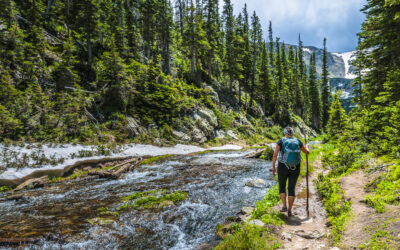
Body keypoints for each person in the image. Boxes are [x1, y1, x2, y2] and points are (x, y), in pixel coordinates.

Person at [271, 127, 309, 217]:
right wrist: (307, 146)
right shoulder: (298, 141)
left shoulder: (281, 141)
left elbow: (275, 155)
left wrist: (273, 167)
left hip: (282, 166)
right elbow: (307, 152)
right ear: (292, 133)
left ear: (285, 133)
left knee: (282, 186)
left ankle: (284, 206)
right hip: (295, 167)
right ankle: (289, 210)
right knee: (291, 188)